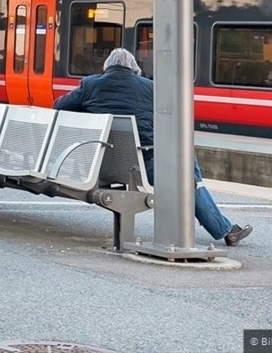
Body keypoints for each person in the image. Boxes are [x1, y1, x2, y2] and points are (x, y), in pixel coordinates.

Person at [55, 47, 253, 248]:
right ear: (133, 68)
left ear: (107, 66)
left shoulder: (89, 85)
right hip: (141, 168)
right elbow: (171, 118)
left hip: (101, 166)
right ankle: (223, 228)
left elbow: (59, 106)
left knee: (187, 167)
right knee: (187, 168)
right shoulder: (150, 88)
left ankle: (215, 216)